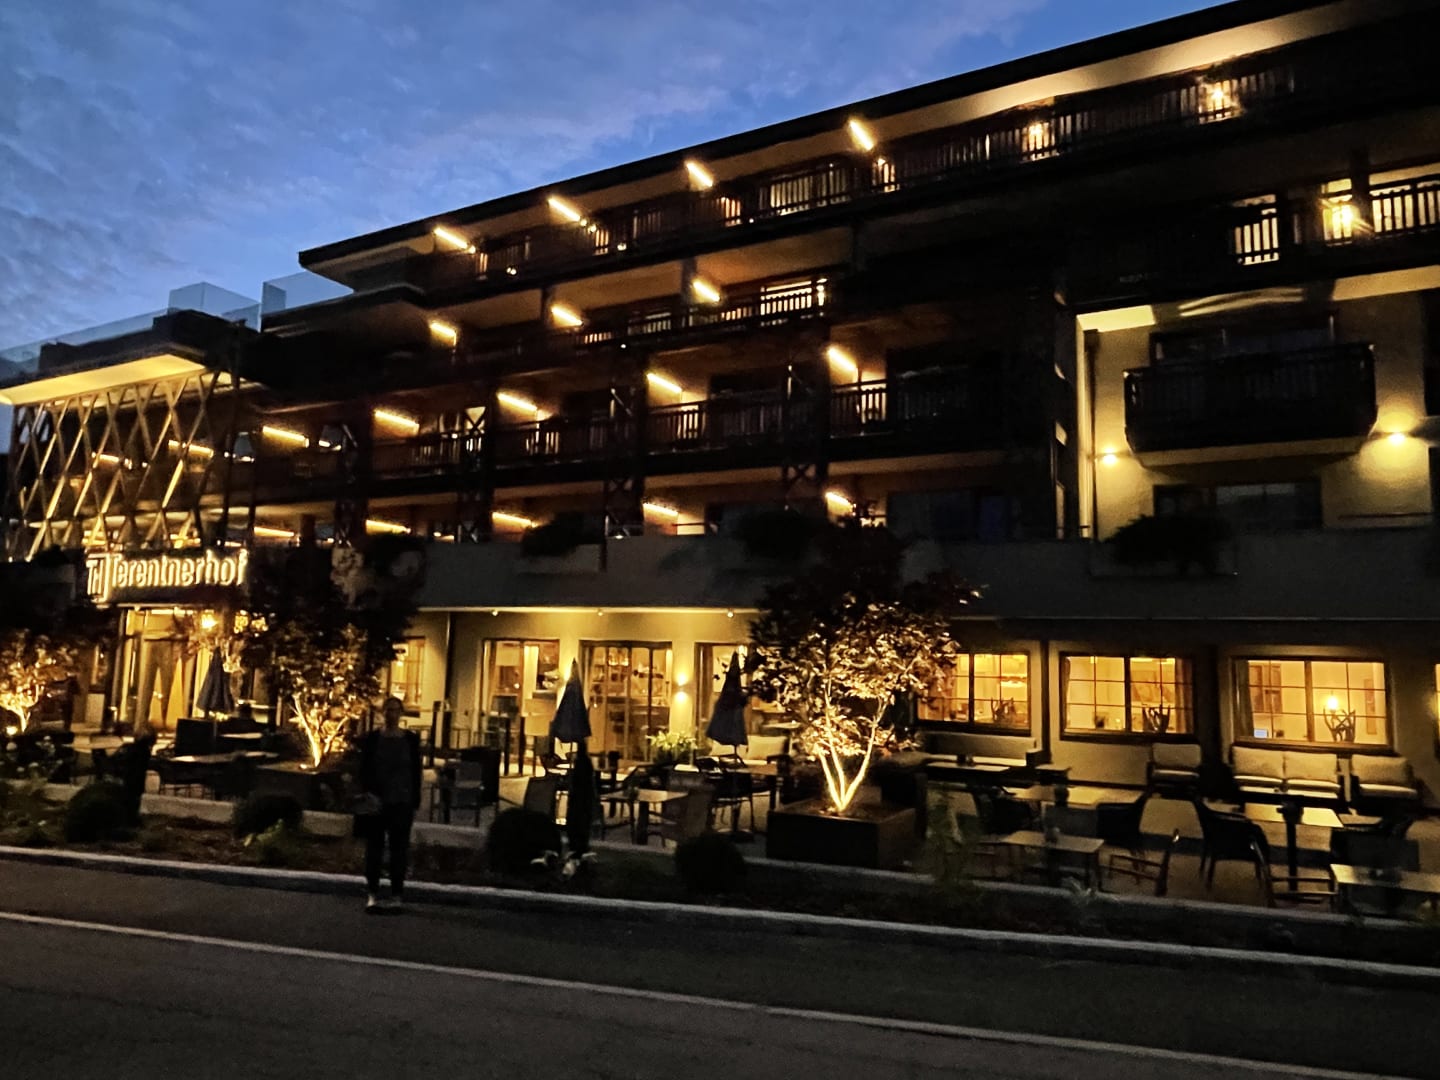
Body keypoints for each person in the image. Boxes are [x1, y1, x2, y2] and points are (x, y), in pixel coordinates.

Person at [358, 697, 422, 913]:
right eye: (387, 710)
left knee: (399, 849)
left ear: (401, 713)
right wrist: (367, 793)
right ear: (382, 712)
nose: (391, 714)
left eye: (395, 710)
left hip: (402, 801)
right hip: (377, 801)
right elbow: (364, 769)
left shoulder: (410, 740)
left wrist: (415, 799)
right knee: (374, 849)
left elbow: (415, 771)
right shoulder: (373, 739)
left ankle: (397, 894)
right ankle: (372, 892)